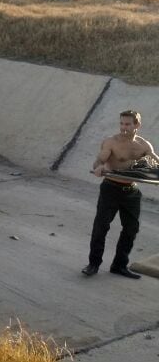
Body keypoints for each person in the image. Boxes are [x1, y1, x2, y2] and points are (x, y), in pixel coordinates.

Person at [82, 110, 159, 279]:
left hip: (131, 191)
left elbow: (156, 163)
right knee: (101, 227)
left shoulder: (144, 145)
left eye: (128, 124)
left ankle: (119, 265)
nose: (123, 127)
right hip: (111, 188)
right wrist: (99, 167)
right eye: (121, 123)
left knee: (131, 228)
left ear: (137, 125)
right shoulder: (111, 142)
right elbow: (99, 160)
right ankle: (93, 264)